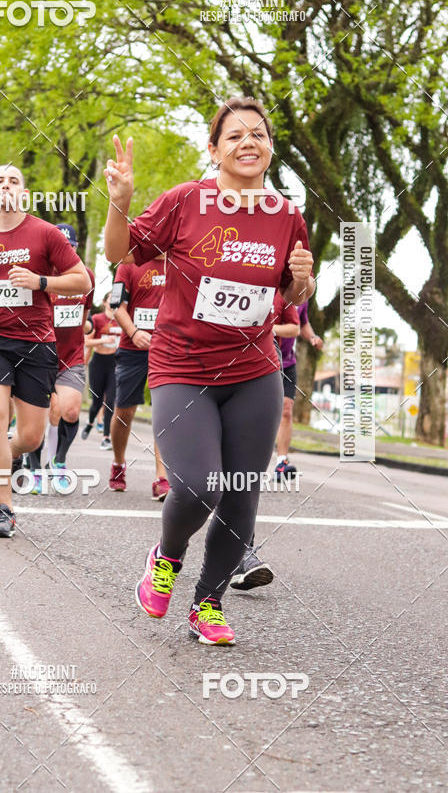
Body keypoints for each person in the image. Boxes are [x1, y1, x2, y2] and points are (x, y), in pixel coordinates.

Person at [104, 97, 314, 645]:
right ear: (214, 148)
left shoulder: (287, 215)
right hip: (182, 365)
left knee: (242, 492)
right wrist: (119, 204)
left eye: (259, 135)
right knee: (198, 486)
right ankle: (166, 558)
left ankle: (209, 604)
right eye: (235, 135)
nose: (249, 142)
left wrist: (304, 284)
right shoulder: (184, 202)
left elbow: (288, 297)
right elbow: (118, 252)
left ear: (270, 147)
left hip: (254, 371)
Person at [0, 164, 91, 538]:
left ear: (24, 194)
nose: (7, 185)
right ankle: (4, 508)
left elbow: (83, 279)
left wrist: (41, 281)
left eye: (14, 181)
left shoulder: (45, 234)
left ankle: (2, 455)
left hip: (35, 342)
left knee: (31, 437)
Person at [229, 290, 299, 591]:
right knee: (201, 483)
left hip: (260, 375)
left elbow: (294, 323)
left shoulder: (281, 288)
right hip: (206, 374)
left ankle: (244, 553)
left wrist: (265, 329)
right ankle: (170, 551)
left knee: (243, 471)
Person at [26, 223, 95, 493]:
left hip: (71, 355)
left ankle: (59, 460)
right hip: (38, 353)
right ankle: (34, 468)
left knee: (71, 409)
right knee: (38, 415)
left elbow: (84, 317)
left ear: (75, 249)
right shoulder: (38, 275)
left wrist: (86, 329)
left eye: (71, 247)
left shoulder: (84, 276)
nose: (66, 251)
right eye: (60, 247)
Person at [109, 256, 170, 500]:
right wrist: (134, 332)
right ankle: (118, 463)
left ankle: (161, 477)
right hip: (133, 348)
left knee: (165, 411)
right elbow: (116, 307)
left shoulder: (180, 261)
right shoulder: (127, 264)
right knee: (125, 412)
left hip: (168, 348)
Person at [274, 301, 323, 477]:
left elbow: (303, 323)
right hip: (264, 360)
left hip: (288, 363)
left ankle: (281, 462)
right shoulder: (275, 286)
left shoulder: (302, 295)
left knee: (286, 410)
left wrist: (312, 337)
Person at [82, 293, 120, 449]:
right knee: (96, 404)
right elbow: (87, 342)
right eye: (110, 298)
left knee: (110, 401)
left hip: (114, 364)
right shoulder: (97, 319)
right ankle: (90, 422)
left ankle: (106, 437)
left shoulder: (123, 320)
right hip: (98, 363)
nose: (113, 301)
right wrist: (104, 340)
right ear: (105, 302)